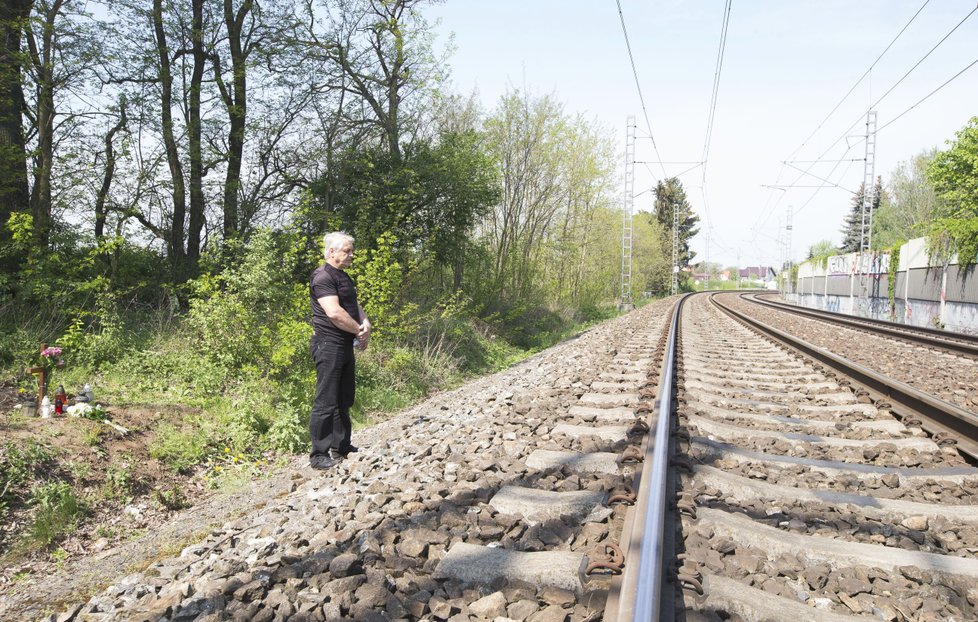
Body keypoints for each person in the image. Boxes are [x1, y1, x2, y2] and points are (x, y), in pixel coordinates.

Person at [308, 232, 371, 470]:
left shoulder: (342, 277)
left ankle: (341, 446)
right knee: (326, 400)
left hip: (344, 344)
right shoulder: (322, 276)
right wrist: (358, 330)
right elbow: (334, 312)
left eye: (351, 251)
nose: (351, 255)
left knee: (344, 398)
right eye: (347, 251)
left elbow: (353, 305)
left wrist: (365, 323)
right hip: (328, 344)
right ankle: (318, 455)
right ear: (331, 251)